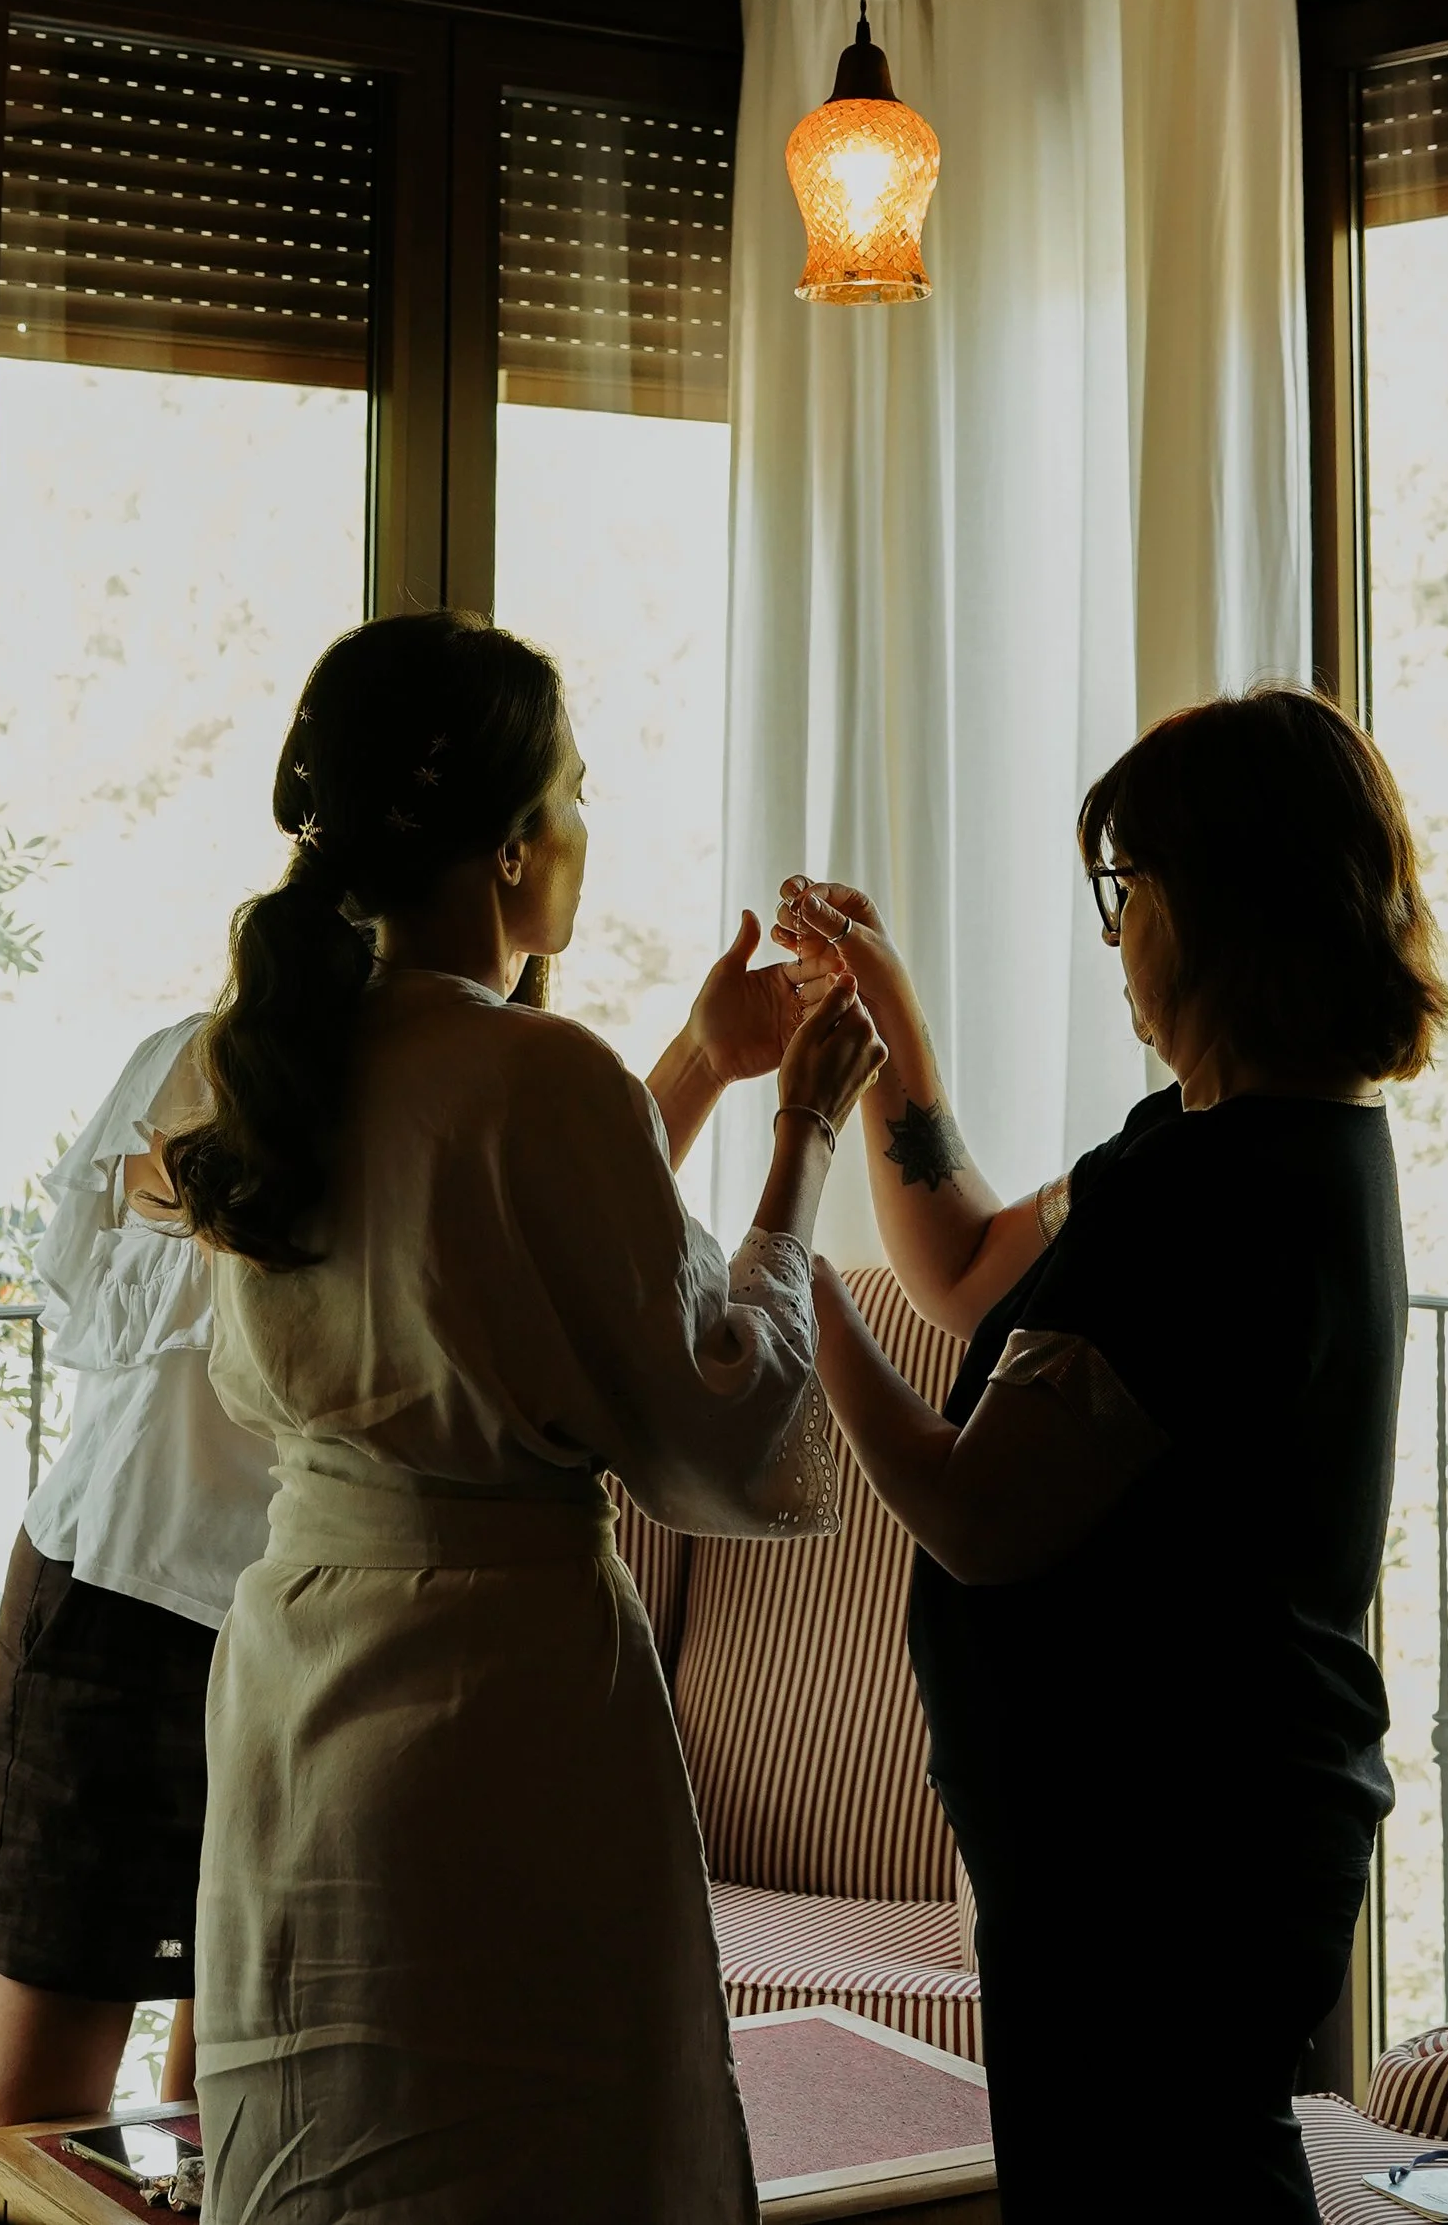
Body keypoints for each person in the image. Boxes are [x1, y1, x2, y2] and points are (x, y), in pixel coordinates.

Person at [161, 607, 884, 2225]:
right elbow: (709, 1415)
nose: (581, 826)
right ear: (509, 848)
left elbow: (493, 1233)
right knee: (532, 2151)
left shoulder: (262, 1058)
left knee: (337, 2140)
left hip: (299, 1694)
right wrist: (802, 1131)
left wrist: (700, 1054)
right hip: (500, 1714)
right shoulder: (529, 1073)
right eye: (572, 792)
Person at [782, 686, 1447, 2225]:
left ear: (1207, 896)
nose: (1112, 932)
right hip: (1173, 1838)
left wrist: (782, 1274)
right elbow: (959, 1257)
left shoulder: (1217, 1200)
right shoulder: (1222, 1145)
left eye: (1124, 886)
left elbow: (974, 1511)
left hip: (1163, 1857)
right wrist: (893, 1032)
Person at [0, 1008, 273, 2199]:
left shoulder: (497, 1076)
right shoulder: (224, 1052)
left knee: (227, 2142)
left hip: (308, 1644)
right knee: (11, 2140)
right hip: (124, 1610)